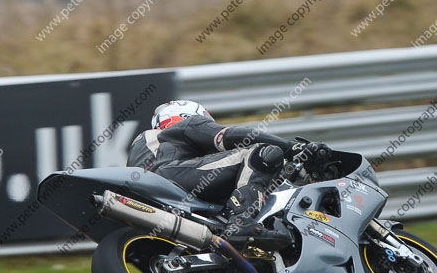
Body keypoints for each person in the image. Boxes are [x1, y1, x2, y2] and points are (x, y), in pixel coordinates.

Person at [126, 100, 329, 250]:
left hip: (153, 202)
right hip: (171, 177)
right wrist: (293, 148)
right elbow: (232, 136)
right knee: (260, 153)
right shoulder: (187, 125)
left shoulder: (147, 145)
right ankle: (241, 221)